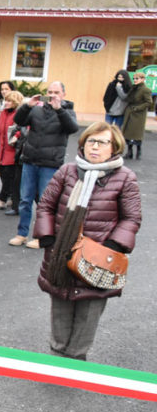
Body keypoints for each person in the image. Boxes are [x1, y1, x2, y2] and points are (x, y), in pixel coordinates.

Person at [34, 122, 141, 360]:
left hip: (98, 258)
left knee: (89, 309)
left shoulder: (125, 178)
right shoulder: (67, 171)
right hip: (61, 253)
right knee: (60, 305)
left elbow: (131, 218)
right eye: (90, 141)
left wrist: (113, 245)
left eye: (102, 142)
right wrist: (47, 236)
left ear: (114, 147)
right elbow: (46, 205)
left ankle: (77, 356)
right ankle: (57, 353)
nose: (94, 147)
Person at [10, 82, 78, 248]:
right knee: (25, 200)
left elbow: (72, 128)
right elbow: (18, 120)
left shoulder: (67, 111)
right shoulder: (36, 109)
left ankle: (42, 237)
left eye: (56, 92)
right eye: (50, 92)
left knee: (45, 202)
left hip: (50, 163)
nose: (53, 95)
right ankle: (22, 233)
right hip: (30, 160)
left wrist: (59, 110)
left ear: (63, 94)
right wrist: (27, 106)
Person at [121, 71, 153, 159]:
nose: (135, 80)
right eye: (134, 78)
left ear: (142, 79)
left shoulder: (145, 90)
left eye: (137, 78)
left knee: (136, 134)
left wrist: (137, 108)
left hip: (138, 115)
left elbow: (149, 102)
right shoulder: (134, 88)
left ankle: (138, 152)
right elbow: (128, 99)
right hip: (130, 112)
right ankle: (129, 152)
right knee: (128, 133)